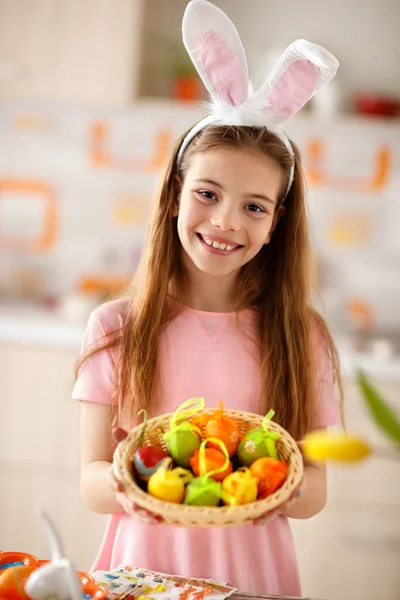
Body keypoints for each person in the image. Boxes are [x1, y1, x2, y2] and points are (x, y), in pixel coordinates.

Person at [72, 0, 343, 595]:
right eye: (208, 193)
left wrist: (258, 484)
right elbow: (91, 477)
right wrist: (137, 489)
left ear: (276, 223)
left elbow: (316, 489)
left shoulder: (304, 336)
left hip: (254, 580)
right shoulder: (116, 325)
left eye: (254, 206)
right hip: (141, 574)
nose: (225, 221)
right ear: (174, 195)